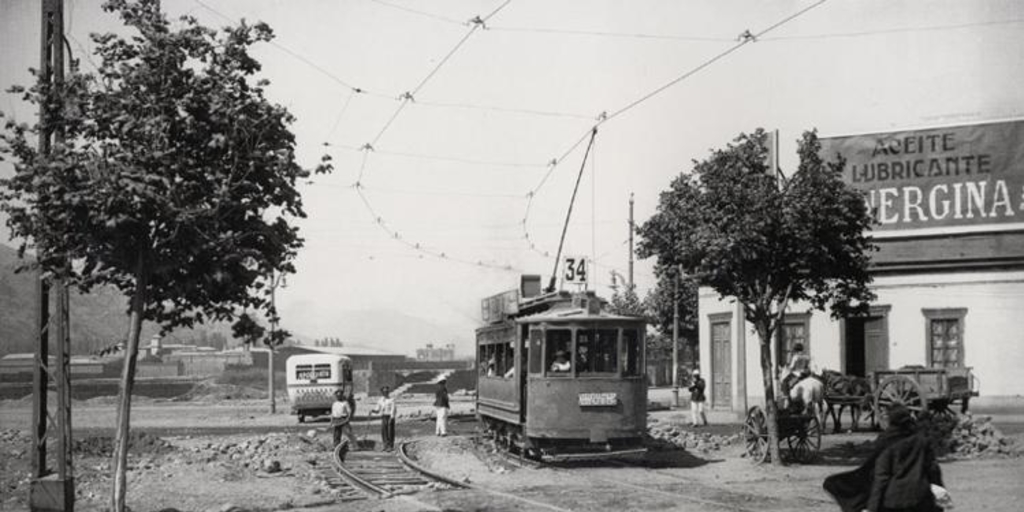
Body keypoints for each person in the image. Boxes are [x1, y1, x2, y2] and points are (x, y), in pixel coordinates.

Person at [824, 406, 945, 512]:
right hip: (921, 498)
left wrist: (872, 508)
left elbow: (881, 478)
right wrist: (940, 493)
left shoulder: (887, 444)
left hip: (894, 501)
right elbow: (933, 468)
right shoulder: (921, 440)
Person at [330, 389, 356, 457]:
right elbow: (333, 413)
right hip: (336, 420)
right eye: (337, 395)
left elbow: (349, 412)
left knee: (348, 433)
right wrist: (331, 422)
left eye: (340, 395)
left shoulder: (345, 403)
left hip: (343, 419)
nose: (338, 396)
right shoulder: (334, 404)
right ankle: (336, 446)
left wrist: (348, 419)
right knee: (336, 434)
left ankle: (353, 446)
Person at [371, 386, 397, 451]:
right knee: (384, 431)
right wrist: (374, 411)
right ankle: (385, 445)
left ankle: (391, 446)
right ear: (382, 392)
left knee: (390, 431)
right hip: (384, 417)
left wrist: (392, 417)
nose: (386, 393)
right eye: (384, 392)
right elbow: (377, 409)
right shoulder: (380, 400)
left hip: (390, 416)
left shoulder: (392, 400)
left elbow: (393, 409)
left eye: (387, 391)